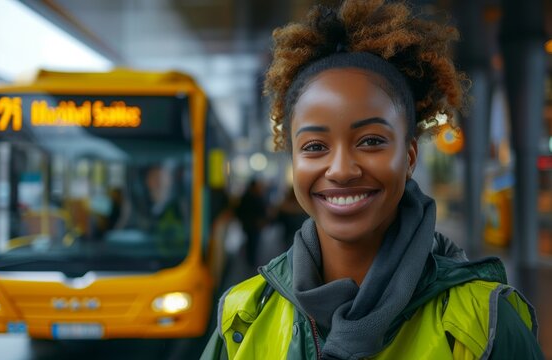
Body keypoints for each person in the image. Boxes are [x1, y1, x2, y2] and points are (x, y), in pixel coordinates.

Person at [201, 1, 543, 359]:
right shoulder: (243, 316)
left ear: (409, 157)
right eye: (315, 146)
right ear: (294, 160)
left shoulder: (480, 324)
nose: (341, 170)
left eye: (371, 141)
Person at [235, 178, 269, 268]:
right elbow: (262, 210)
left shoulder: (245, 197)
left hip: (248, 225)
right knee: (253, 243)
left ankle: (250, 260)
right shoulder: (257, 197)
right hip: (254, 225)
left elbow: (239, 211)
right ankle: (252, 261)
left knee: (250, 243)